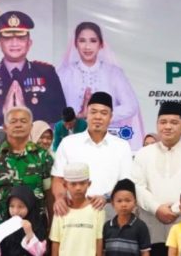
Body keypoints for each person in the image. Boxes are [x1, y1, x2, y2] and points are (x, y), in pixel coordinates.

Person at [132, 101, 181, 256]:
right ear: (157, 124)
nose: (167, 126)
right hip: (151, 228)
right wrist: (157, 208)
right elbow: (137, 186)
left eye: (174, 122)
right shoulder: (143, 154)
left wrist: (175, 209)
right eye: (163, 122)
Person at [58, 21, 144, 151]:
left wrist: (101, 116)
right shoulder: (64, 73)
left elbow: (131, 105)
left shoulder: (113, 73)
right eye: (82, 41)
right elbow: (54, 108)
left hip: (107, 139)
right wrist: (78, 116)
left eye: (93, 41)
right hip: (72, 137)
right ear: (75, 44)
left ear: (101, 44)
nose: (87, 46)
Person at [52, 91, 133, 220]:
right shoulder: (68, 143)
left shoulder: (122, 146)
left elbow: (125, 183)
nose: (98, 117)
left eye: (104, 113)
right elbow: (58, 179)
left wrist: (105, 197)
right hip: (74, 212)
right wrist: (60, 199)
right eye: (93, 112)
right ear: (86, 114)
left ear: (111, 116)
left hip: (110, 213)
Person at [0, 11, 67, 127]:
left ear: (29, 43)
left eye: (20, 38)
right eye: (8, 38)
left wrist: (26, 115)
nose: (14, 43)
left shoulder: (47, 73)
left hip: (37, 142)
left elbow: (60, 118)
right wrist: (4, 113)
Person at [0, 106, 54, 224]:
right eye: (13, 121)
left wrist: (52, 225)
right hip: (0, 230)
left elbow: (50, 195)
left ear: (31, 127)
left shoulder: (43, 157)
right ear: (4, 127)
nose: (18, 125)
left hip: (34, 232)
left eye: (23, 121)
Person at [50, 162, 105, 256]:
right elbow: (56, 243)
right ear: (65, 185)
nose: (78, 188)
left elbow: (99, 240)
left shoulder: (97, 209)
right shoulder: (60, 210)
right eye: (73, 184)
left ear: (89, 184)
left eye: (82, 183)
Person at [0, 185, 48, 256]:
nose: (15, 211)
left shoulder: (37, 225)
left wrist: (30, 233)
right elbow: (1, 252)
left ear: (29, 206)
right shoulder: (5, 226)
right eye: (12, 206)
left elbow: (40, 253)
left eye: (21, 206)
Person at [103, 179, 151, 256]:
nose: (123, 204)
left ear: (135, 202)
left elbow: (145, 252)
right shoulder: (107, 227)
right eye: (119, 201)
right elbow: (103, 251)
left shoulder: (141, 226)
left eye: (128, 200)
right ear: (112, 203)